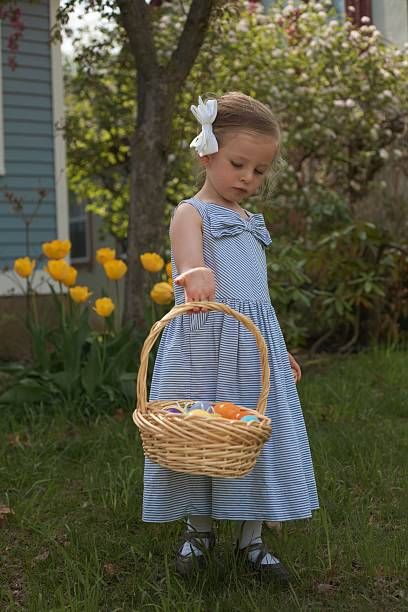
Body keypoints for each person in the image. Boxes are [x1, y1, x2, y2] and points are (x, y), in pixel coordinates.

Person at [142, 92, 319, 580]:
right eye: (239, 164)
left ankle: (253, 538)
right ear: (207, 152)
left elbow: (259, 302)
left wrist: (278, 351)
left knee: (255, 435)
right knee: (205, 434)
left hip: (252, 348)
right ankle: (198, 530)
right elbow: (188, 260)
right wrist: (194, 272)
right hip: (204, 345)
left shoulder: (249, 223)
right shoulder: (191, 213)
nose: (248, 178)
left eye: (259, 172)